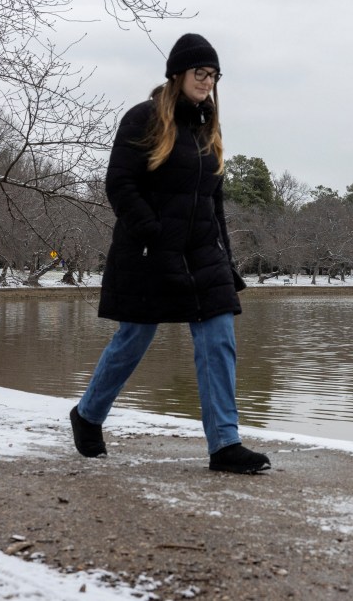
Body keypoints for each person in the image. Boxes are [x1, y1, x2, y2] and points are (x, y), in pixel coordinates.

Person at [70, 33, 270, 475]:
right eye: (201, 73)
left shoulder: (208, 128)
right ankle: (87, 415)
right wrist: (151, 232)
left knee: (219, 338)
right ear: (178, 74)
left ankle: (224, 444)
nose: (207, 81)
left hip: (202, 252)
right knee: (134, 339)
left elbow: (213, 202)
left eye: (214, 75)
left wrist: (226, 258)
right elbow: (120, 184)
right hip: (151, 250)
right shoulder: (143, 119)